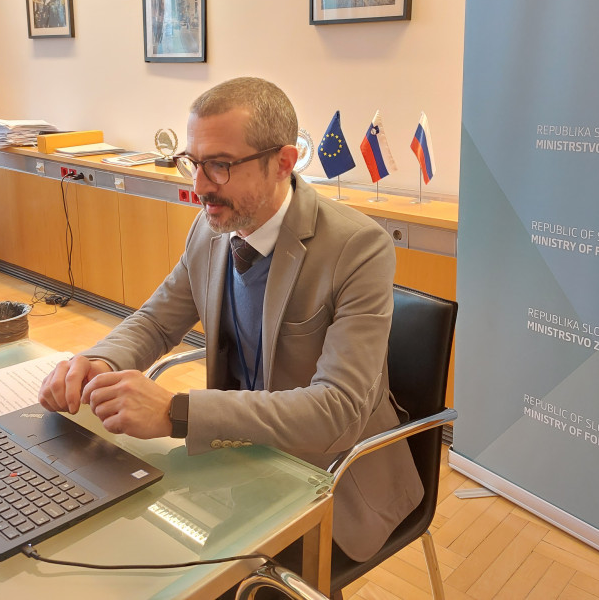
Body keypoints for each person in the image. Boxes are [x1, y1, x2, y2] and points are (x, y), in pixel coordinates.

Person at [38, 77, 423, 563]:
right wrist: (98, 359)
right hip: (236, 459)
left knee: (213, 576)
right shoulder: (213, 226)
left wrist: (176, 412)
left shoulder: (358, 249)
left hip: (331, 480)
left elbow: (337, 411)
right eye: (193, 163)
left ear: (284, 162)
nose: (198, 187)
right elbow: (158, 321)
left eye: (219, 166)